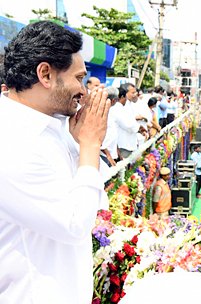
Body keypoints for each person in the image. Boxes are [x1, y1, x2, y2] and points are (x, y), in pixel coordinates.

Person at [0, 21, 110, 303]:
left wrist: (80, 144)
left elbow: (94, 203)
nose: (84, 91)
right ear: (45, 74)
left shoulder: (53, 127)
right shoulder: (11, 140)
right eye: (79, 78)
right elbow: (75, 224)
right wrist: (89, 143)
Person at [116, 83, 146, 159]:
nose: (135, 94)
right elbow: (127, 124)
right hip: (124, 143)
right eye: (132, 93)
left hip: (131, 141)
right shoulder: (120, 106)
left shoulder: (130, 104)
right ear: (125, 93)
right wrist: (140, 128)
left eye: (135, 92)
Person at [100, 87, 120, 167]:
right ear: (114, 100)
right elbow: (98, 138)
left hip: (109, 154)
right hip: (103, 155)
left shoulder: (111, 111)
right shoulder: (101, 112)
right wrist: (108, 155)